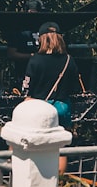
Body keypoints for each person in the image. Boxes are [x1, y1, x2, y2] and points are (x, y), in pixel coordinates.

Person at [21, 21, 82, 174]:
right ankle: (60, 181)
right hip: (62, 108)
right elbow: (75, 87)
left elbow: (26, 88)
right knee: (60, 148)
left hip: (39, 109)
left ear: (41, 39)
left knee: (34, 146)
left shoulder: (35, 60)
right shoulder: (69, 60)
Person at [5, 0, 44, 82]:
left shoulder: (45, 30)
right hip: (24, 74)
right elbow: (11, 54)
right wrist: (32, 56)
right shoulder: (19, 31)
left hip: (43, 74)